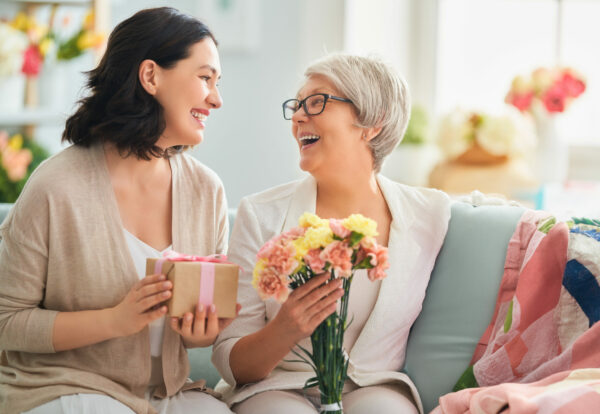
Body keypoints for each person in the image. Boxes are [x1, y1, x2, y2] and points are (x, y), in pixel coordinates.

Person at [0, 7, 236, 414]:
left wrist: (201, 333)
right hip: (65, 386)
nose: (216, 98)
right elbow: (7, 321)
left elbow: (198, 334)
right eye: (204, 78)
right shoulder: (55, 186)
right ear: (150, 76)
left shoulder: (206, 190)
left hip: (168, 394)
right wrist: (114, 320)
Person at [212, 54, 452, 414]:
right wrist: (285, 328)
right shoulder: (260, 213)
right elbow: (231, 362)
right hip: (277, 388)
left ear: (372, 124)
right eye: (296, 106)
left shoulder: (429, 214)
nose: (297, 117)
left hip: (372, 387)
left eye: (316, 102)